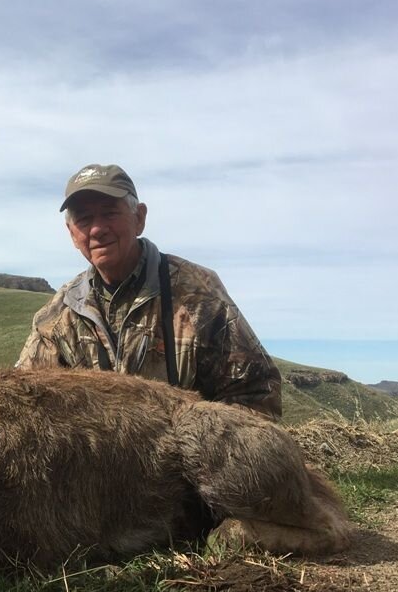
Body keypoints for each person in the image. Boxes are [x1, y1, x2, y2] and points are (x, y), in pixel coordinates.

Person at [16, 163, 282, 420]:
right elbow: (25, 404)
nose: (97, 229)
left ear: (139, 218)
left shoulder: (199, 292)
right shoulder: (56, 317)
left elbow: (257, 393)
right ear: (72, 234)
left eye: (109, 213)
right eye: (84, 219)